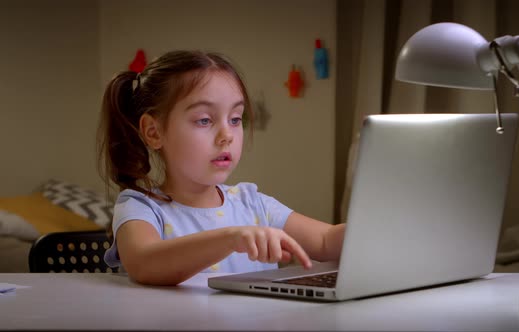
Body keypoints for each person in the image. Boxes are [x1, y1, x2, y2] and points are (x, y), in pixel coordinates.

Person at [97, 50, 346, 286]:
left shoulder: (253, 204)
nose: (227, 135)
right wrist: (231, 238)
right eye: (204, 120)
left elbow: (325, 241)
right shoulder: (141, 207)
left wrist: (378, 225)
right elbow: (144, 263)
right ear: (153, 132)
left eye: (235, 119)